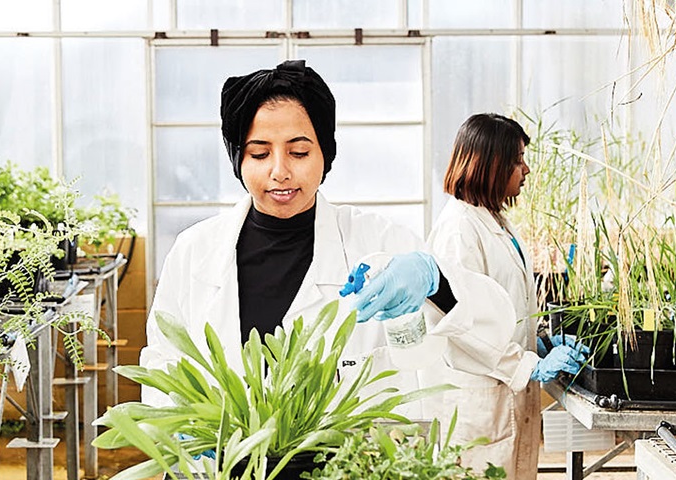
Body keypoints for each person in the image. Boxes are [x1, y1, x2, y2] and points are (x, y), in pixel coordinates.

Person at [139, 61, 584, 465]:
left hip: (344, 467)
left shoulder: (378, 239)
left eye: (298, 152)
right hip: (224, 469)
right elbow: (161, 363)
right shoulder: (195, 252)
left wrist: (433, 280)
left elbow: (487, 317)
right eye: (259, 153)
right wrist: (181, 446)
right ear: (239, 159)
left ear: (325, 154)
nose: (279, 170)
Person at [427, 113, 588, 479]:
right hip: (480, 401)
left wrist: (538, 342)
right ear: (491, 164)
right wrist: (529, 365)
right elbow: (462, 324)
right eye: (517, 160)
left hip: (505, 393)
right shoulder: (459, 230)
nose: (526, 169)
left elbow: (498, 308)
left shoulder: (494, 220)